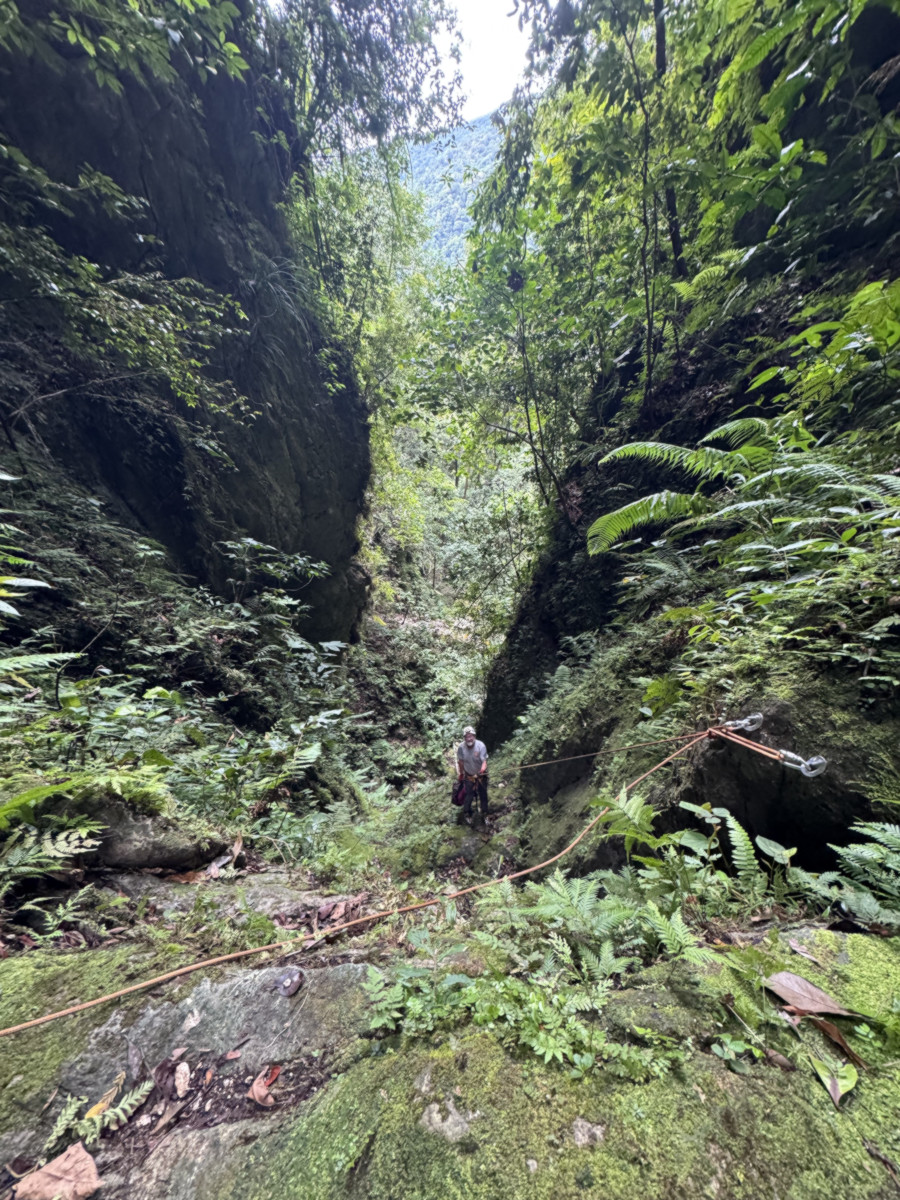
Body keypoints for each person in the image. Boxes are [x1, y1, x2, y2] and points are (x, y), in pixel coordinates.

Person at [456, 725, 488, 824]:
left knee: (483, 793)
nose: (469, 738)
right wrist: (461, 774)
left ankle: (485, 812)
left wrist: (481, 771)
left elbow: (484, 762)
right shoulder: (461, 748)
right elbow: (460, 762)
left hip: (481, 774)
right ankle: (467, 813)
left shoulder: (481, 746)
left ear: (474, 736)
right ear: (464, 738)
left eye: (471, 736)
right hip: (469, 775)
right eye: (467, 737)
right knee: (468, 794)